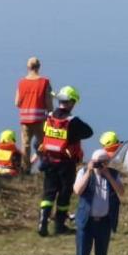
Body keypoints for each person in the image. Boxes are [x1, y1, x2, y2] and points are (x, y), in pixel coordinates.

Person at [71, 133, 124, 255]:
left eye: (104, 162)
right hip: (86, 222)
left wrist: (107, 174)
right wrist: (89, 171)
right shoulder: (83, 172)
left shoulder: (113, 174)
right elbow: (77, 190)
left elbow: (121, 191)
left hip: (104, 222)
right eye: (98, 162)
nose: (101, 165)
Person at [37, 86, 93, 237]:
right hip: (66, 163)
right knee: (64, 194)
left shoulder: (49, 117)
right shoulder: (72, 121)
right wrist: (74, 137)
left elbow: (44, 134)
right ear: (71, 102)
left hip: (49, 160)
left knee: (48, 193)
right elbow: (89, 132)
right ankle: (59, 226)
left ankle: (42, 223)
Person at [16, 58, 54, 172]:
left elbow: (17, 103)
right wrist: (51, 115)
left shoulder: (21, 82)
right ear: (39, 67)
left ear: (28, 67)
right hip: (40, 119)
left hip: (25, 119)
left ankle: (25, 169)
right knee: (43, 144)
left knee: (26, 145)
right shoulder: (45, 82)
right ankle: (45, 167)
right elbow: (48, 103)